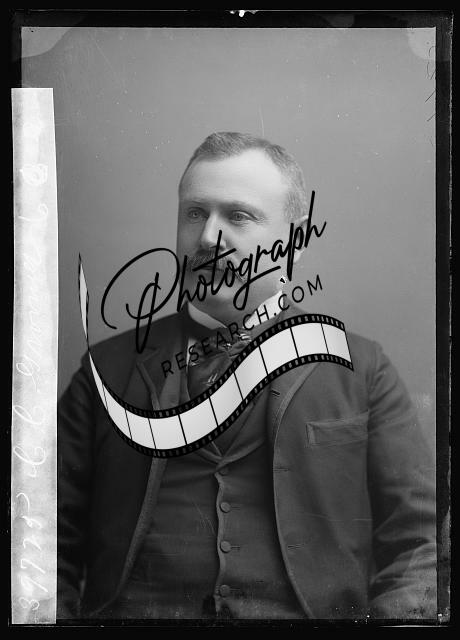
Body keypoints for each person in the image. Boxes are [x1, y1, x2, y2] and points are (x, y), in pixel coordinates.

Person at [57, 132, 436, 621]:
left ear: (296, 242)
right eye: (195, 213)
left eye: (238, 216)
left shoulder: (362, 368)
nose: (208, 238)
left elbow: (420, 543)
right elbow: (42, 544)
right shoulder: (105, 371)